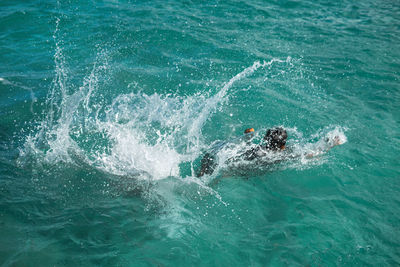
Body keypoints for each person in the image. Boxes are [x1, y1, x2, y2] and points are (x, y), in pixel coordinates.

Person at [197, 126, 342, 177]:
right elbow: (309, 154)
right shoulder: (280, 156)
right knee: (226, 174)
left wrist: (248, 133)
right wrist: (330, 145)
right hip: (236, 169)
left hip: (228, 155)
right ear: (283, 145)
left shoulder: (258, 147)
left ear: (266, 139)